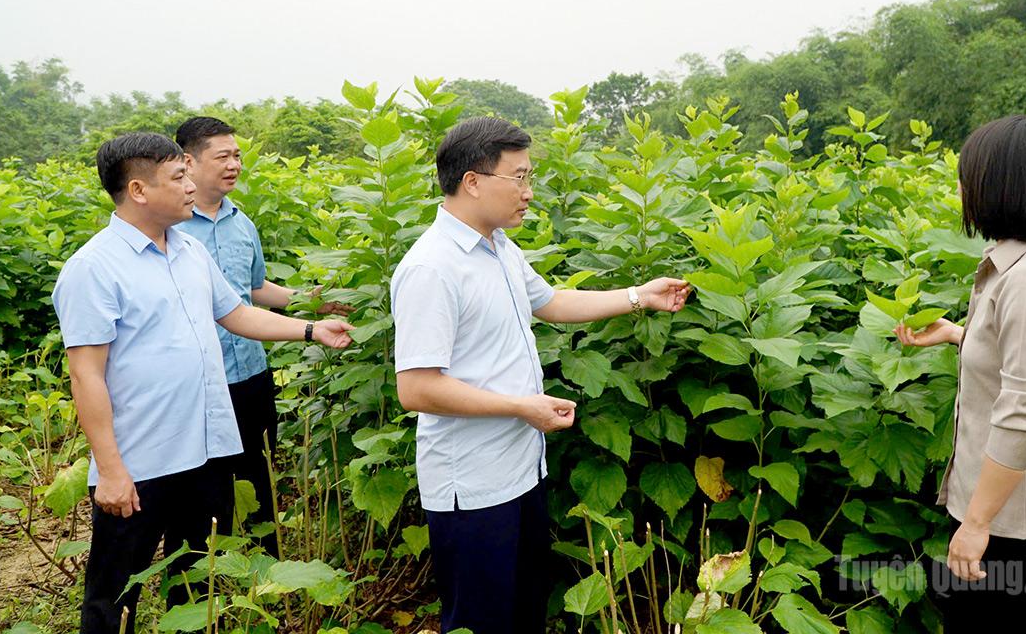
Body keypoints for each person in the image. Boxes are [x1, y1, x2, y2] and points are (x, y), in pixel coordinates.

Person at [390, 116, 691, 634]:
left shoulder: (500, 247)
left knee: (525, 609)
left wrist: (640, 295)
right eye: (521, 177)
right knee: (480, 621)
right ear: (473, 182)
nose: (530, 192)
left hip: (521, 469)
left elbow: (550, 302)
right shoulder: (432, 268)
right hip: (474, 485)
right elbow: (416, 388)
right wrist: (519, 406)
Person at [52, 132, 355, 634]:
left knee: (195, 581)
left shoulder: (190, 250)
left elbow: (235, 313)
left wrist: (310, 329)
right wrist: (110, 470)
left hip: (206, 449)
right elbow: (86, 374)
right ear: (139, 190)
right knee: (114, 590)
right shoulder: (93, 268)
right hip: (141, 460)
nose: (191, 185)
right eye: (178, 176)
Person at [894, 115, 1026, 633]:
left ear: (1005, 184)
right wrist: (961, 335)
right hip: (1012, 520)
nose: (961, 188)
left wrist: (978, 524)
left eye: (970, 176)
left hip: (1018, 530)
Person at [174, 116, 346, 551]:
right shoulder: (168, 226)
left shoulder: (240, 223)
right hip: (199, 379)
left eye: (237, 156)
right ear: (188, 162)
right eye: (222, 157)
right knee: (203, 486)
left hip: (251, 371)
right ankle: (203, 573)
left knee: (259, 475)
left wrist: (312, 302)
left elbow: (253, 291)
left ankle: (267, 570)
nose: (233, 164)